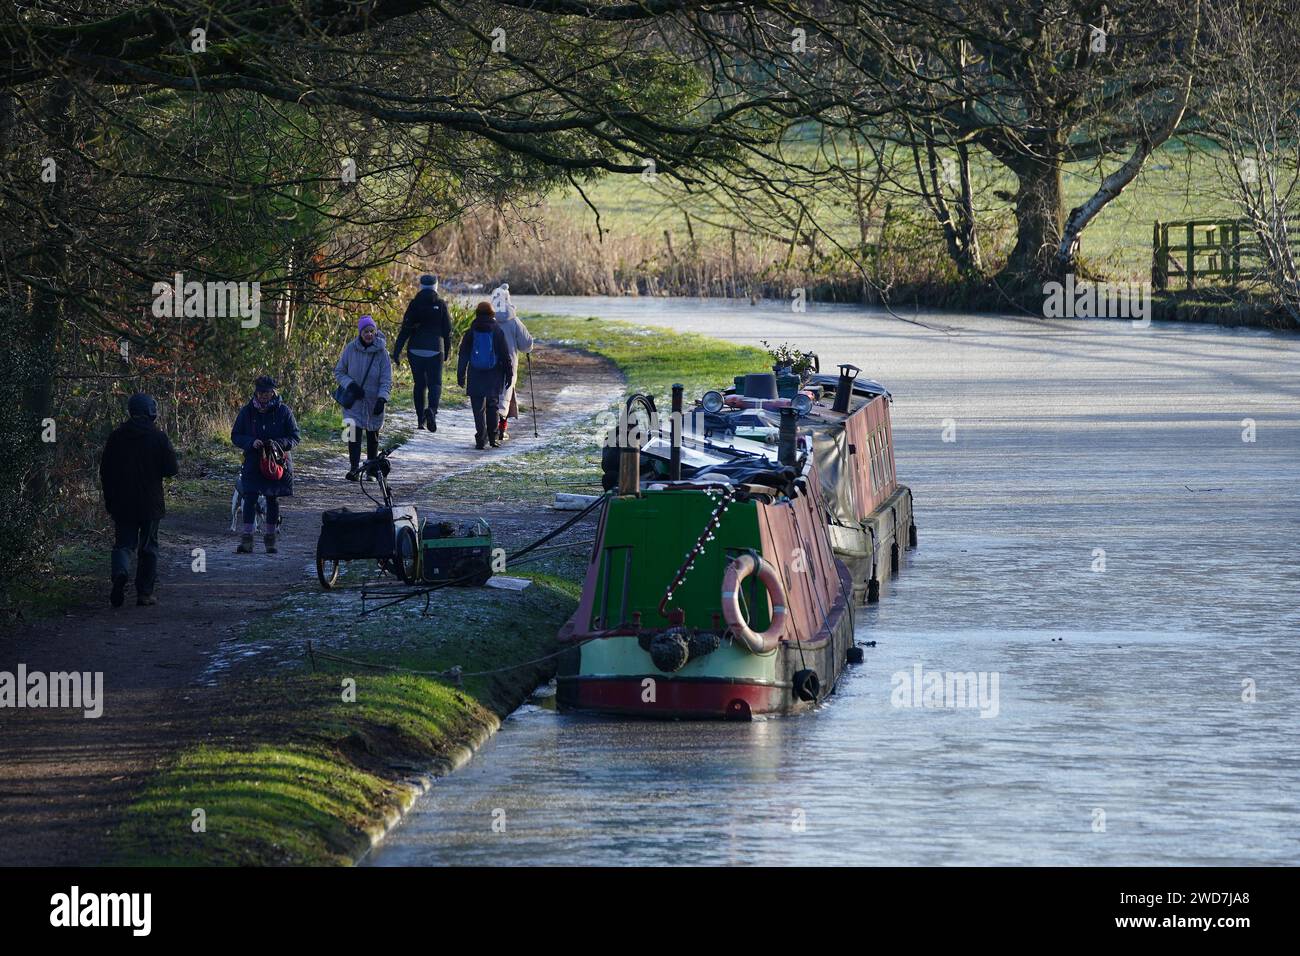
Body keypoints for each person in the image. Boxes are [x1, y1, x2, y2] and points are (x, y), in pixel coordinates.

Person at [99, 393, 180, 607]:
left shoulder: (116, 437)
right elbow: (172, 469)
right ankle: (144, 593)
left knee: (123, 545)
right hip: (150, 502)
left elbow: (105, 471)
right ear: (150, 412)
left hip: (122, 502)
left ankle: (120, 572)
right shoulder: (158, 437)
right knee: (148, 547)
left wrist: (110, 499)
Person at [231, 375, 301, 554]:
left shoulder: (284, 412)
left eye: (267, 392)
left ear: (273, 392)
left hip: (276, 462)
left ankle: (270, 540)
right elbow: (236, 435)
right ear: (255, 392)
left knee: (272, 499)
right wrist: (250, 442)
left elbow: (295, 436)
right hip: (253, 460)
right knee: (250, 497)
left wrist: (278, 444)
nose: (263, 396)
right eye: (260, 392)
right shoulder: (247, 412)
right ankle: (247, 540)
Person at [334, 314, 392, 480]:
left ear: (375, 332)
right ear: (360, 332)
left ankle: (371, 470)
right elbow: (339, 371)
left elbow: (386, 378)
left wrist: (382, 398)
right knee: (352, 434)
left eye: (371, 331)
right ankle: (353, 468)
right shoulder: (350, 349)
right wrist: (350, 385)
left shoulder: (382, 353)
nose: (369, 334)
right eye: (366, 331)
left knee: (373, 435)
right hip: (353, 401)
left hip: (374, 401)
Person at [392, 274, 452, 433]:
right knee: (435, 383)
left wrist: (396, 351)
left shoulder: (414, 304)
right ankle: (431, 410)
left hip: (415, 349)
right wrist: (447, 351)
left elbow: (405, 329)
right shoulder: (440, 304)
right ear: (436, 286)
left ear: (420, 286)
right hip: (435, 349)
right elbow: (447, 331)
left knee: (419, 384)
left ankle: (420, 420)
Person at [457, 301, 514, 450]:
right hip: (493, 374)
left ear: (477, 313)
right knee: (492, 405)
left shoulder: (471, 331)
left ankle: (480, 439)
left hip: (475, 374)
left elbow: (463, 354)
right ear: (492, 314)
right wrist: (509, 374)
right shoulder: (497, 331)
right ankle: (493, 437)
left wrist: (460, 374)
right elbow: (504, 354)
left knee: (478, 408)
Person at [489, 283, 534, 443]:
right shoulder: (514, 321)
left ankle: (491, 429)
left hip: (489, 362)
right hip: (509, 363)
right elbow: (527, 344)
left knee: (492, 395)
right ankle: (500, 429)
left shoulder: (488, 318)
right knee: (505, 395)